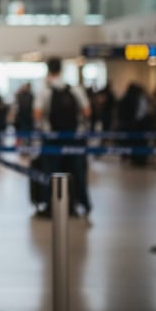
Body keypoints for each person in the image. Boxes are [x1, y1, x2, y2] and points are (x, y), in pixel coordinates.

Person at [33, 57, 91, 217]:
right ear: (61, 70)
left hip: (52, 139)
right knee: (77, 172)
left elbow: (37, 114)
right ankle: (82, 204)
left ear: (48, 70)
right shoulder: (74, 89)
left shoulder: (45, 90)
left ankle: (51, 206)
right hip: (74, 138)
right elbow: (87, 111)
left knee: (50, 173)